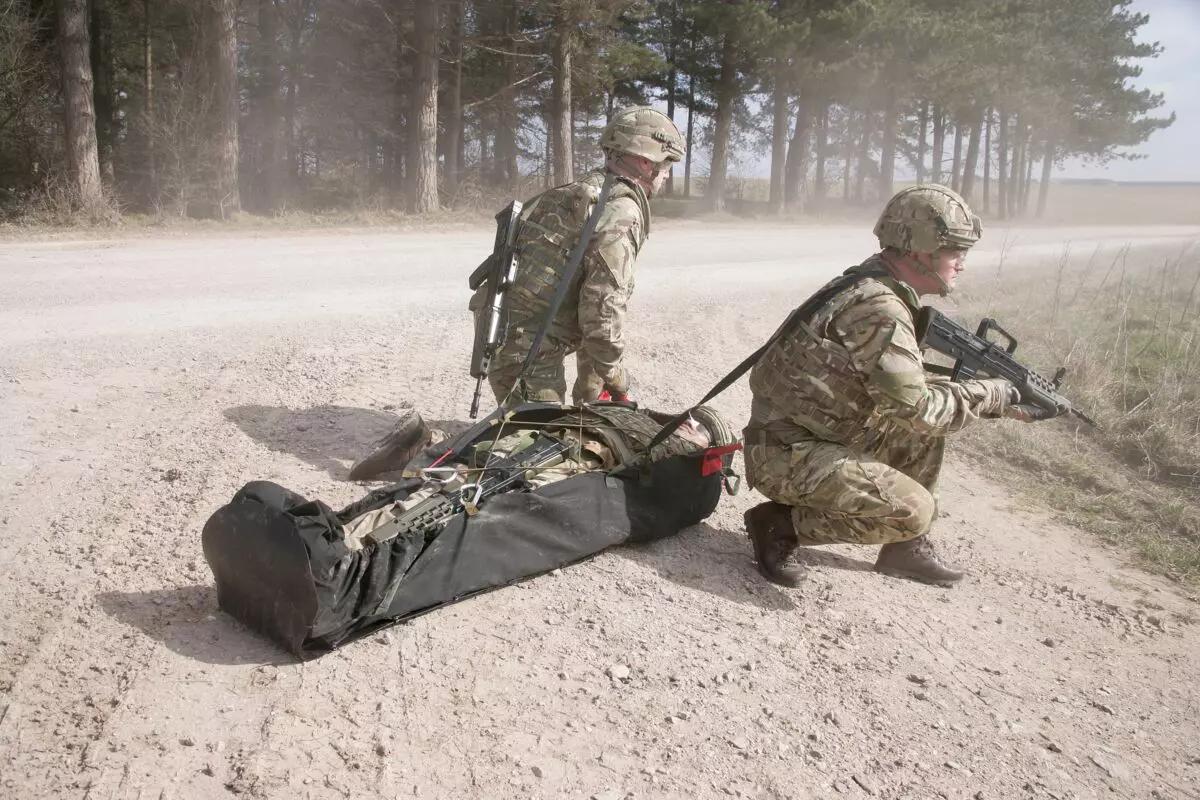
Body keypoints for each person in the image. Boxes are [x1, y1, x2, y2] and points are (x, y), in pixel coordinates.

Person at [741, 184, 1052, 588]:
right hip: (785, 455)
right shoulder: (880, 309)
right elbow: (918, 410)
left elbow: (906, 392)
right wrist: (993, 393)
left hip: (808, 437)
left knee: (926, 422)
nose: (961, 263)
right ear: (923, 250)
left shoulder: (872, 285)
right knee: (912, 509)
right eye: (956, 251)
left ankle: (904, 549)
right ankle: (780, 524)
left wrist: (997, 401)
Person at [475, 106, 685, 406]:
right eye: (665, 165)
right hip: (526, 358)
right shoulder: (621, 212)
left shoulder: (582, 193)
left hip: (513, 340)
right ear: (643, 159)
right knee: (542, 447)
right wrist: (618, 382)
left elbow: (588, 309)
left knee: (577, 428)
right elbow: (602, 316)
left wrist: (593, 394)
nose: (665, 176)